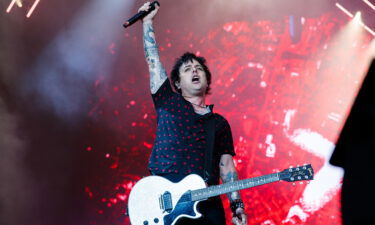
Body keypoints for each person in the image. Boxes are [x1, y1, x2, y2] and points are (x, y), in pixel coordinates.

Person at [138, 2, 247, 225]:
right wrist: (147, 22)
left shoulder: (218, 123)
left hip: (207, 204)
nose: (194, 70)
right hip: (165, 199)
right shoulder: (167, 101)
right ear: (177, 82)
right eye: (187, 69)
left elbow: (226, 167)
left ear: (207, 79)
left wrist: (237, 206)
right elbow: (153, 62)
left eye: (198, 68)